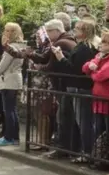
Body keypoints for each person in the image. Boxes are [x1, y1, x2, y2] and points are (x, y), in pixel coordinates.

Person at [26, 19, 77, 159]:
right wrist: (30, 54)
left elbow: (51, 65)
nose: (46, 34)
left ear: (57, 30)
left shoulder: (61, 43)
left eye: (49, 31)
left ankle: (62, 149)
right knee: (64, 117)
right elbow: (44, 58)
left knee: (63, 118)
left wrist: (38, 68)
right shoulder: (67, 40)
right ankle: (66, 148)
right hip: (66, 86)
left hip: (64, 86)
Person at [52, 20, 99, 162]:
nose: (74, 30)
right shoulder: (83, 46)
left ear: (85, 31)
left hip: (81, 88)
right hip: (80, 88)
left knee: (84, 122)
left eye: (78, 28)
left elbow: (75, 70)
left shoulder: (85, 48)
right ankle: (84, 151)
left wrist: (60, 58)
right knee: (82, 122)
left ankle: (87, 153)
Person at [0, 23, 25, 146]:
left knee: (9, 110)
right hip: (14, 78)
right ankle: (14, 137)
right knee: (12, 110)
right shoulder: (21, 45)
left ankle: (9, 137)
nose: (8, 33)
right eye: (6, 30)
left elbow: (3, 66)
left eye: (11, 31)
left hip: (9, 79)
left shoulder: (11, 47)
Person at [82, 29, 109, 165]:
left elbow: (101, 76)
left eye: (105, 43)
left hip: (107, 100)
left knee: (107, 130)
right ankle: (100, 158)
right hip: (98, 100)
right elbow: (85, 67)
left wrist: (92, 73)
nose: (101, 45)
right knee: (98, 129)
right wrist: (92, 66)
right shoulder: (101, 57)